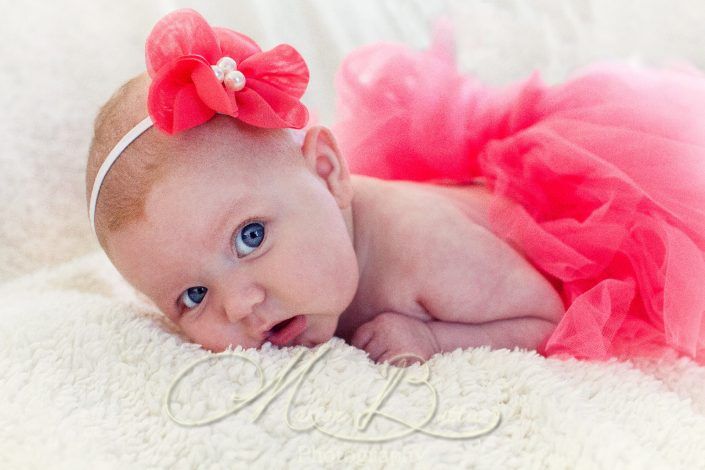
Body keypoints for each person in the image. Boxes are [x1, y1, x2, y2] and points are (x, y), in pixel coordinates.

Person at [85, 8, 704, 368]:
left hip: (588, 222)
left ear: (327, 174)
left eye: (250, 237)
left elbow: (547, 317)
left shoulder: (427, 253)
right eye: (193, 295)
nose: (239, 305)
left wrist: (432, 337)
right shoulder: (302, 271)